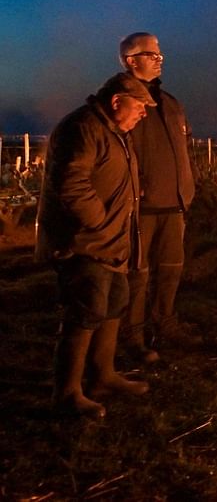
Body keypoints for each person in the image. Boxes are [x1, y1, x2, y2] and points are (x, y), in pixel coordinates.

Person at [36, 73, 157, 418]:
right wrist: (101, 222)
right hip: (85, 243)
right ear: (117, 101)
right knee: (85, 310)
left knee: (114, 302)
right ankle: (68, 392)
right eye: (140, 106)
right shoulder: (84, 128)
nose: (144, 114)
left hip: (113, 242)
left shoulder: (115, 133)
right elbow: (72, 184)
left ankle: (102, 375)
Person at [116, 32, 197, 364]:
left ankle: (164, 321)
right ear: (132, 61)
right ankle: (132, 333)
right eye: (153, 55)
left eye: (161, 55)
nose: (159, 60)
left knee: (171, 268)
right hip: (142, 206)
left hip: (174, 203)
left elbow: (182, 147)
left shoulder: (171, 103)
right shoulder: (122, 101)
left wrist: (187, 189)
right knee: (138, 272)